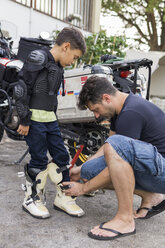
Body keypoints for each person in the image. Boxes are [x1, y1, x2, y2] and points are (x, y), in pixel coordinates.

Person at [62, 75, 165, 241]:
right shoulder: (121, 109)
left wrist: (83, 188)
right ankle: (150, 196)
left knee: (116, 145)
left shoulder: (131, 112)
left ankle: (125, 220)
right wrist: (81, 169)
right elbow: (107, 148)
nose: (96, 116)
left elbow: (116, 153)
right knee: (90, 170)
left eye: (96, 109)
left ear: (106, 98)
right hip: (154, 168)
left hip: (162, 172)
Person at [14, 27, 86, 219]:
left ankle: (63, 197)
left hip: (50, 120)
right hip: (34, 120)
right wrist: (24, 120)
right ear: (66, 46)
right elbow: (21, 89)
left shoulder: (58, 66)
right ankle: (32, 198)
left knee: (63, 157)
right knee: (39, 159)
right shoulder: (38, 57)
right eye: (75, 56)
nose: (74, 62)